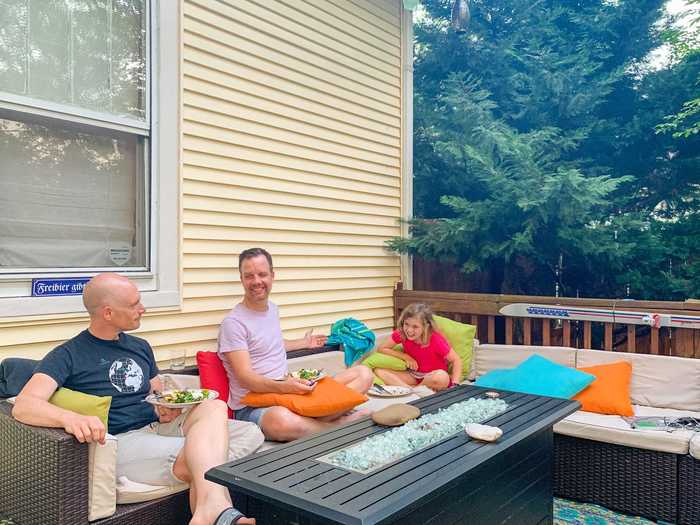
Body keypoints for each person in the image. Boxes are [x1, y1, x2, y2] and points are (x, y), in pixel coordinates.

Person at [12, 273, 259, 525]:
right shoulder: (68, 355)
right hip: (123, 440)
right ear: (108, 313)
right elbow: (24, 405)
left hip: (159, 426)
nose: (142, 309)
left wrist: (163, 406)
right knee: (205, 453)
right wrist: (70, 418)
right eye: (133, 304)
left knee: (224, 412)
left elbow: (155, 394)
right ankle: (217, 509)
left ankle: (208, 511)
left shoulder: (140, 346)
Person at [218, 247, 374, 442]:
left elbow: (269, 344)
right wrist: (286, 388)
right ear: (241, 279)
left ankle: (312, 423)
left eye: (262, 274)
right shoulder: (233, 323)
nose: (257, 281)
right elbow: (245, 378)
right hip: (256, 405)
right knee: (282, 421)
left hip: (290, 390)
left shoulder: (272, 309)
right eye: (249, 276)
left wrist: (304, 343)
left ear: (272, 276)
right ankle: (337, 424)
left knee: (363, 374)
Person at [373, 303, 462, 391]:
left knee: (441, 377)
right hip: (413, 376)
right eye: (406, 324)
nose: (409, 330)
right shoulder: (401, 334)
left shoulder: (435, 340)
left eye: (415, 327)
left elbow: (456, 360)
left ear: (425, 327)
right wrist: (406, 357)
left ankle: (415, 389)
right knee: (378, 371)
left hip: (433, 377)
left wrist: (455, 383)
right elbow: (382, 348)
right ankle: (413, 390)